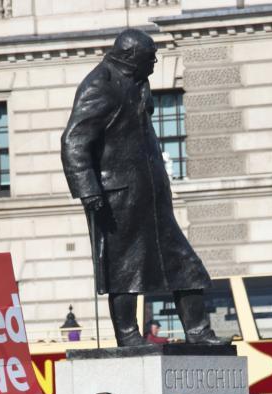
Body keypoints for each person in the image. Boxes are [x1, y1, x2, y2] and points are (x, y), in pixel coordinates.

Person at [61, 28, 220, 347]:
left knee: (185, 264)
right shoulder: (99, 85)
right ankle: (128, 335)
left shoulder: (136, 81)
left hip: (151, 198)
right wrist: (89, 190)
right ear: (130, 57)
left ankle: (198, 330)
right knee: (124, 271)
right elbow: (74, 141)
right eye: (150, 58)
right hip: (117, 200)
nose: (155, 62)